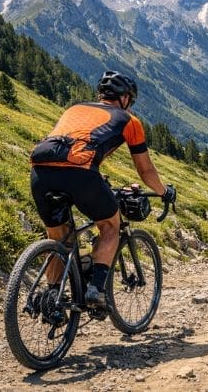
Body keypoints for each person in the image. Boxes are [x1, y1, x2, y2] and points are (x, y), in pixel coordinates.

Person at [29, 70, 176, 310]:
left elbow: (71, 145)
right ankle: (96, 291)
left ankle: (51, 297)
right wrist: (164, 192)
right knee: (110, 226)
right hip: (81, 174)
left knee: (59, 238)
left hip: (40, 172)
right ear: (125, 98)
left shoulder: (74, 109)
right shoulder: (129, 120)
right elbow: (146, 170)